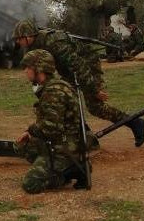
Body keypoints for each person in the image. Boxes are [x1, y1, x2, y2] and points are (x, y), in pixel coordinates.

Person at [12, 21, 144, 147]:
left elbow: (78, 65)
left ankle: (135, 123)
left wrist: (94, 90)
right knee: (66, 101)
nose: (18, 42)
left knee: (95, 107)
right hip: (69, 70)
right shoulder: (35, 45)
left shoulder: (54, 43)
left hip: (87, 65)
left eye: (19, 39)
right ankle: (84, 137)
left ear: (29, 36)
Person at [14, 49, 90, 193]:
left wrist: (31, 130)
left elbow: (51, 129)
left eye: (28, 67)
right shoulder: (53, 86)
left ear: (39, 69)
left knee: (31, 184)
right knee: (21, 146)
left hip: (64, 148)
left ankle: (69, 171)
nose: (25, 71)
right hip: (61, 142)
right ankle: (63, 168)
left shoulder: (53, 91)